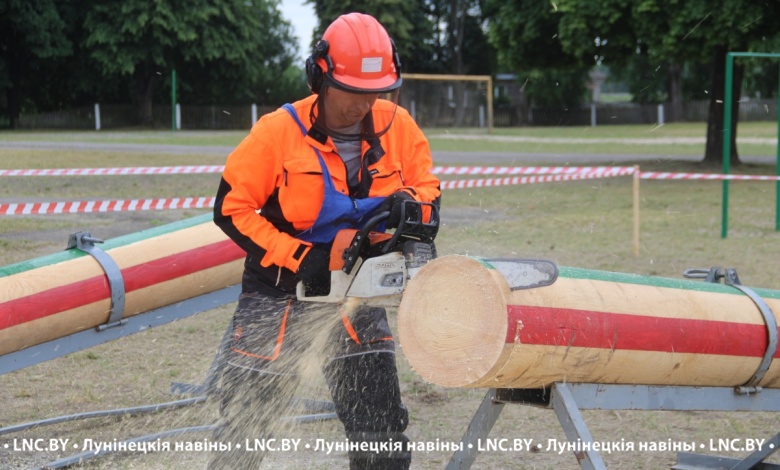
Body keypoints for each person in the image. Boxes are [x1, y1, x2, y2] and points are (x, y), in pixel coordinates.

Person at [210, 12, 441, 469]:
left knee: (381, 434)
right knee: (244, 429)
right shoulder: (278, 132)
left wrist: (410, 209)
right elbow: (230, 210)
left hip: (359, 293)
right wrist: (299, 256)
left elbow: (429, 192)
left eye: (374, 93)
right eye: (353, 92)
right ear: (320, 76)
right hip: (278, 291)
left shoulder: (399, 126)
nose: (363, 105)